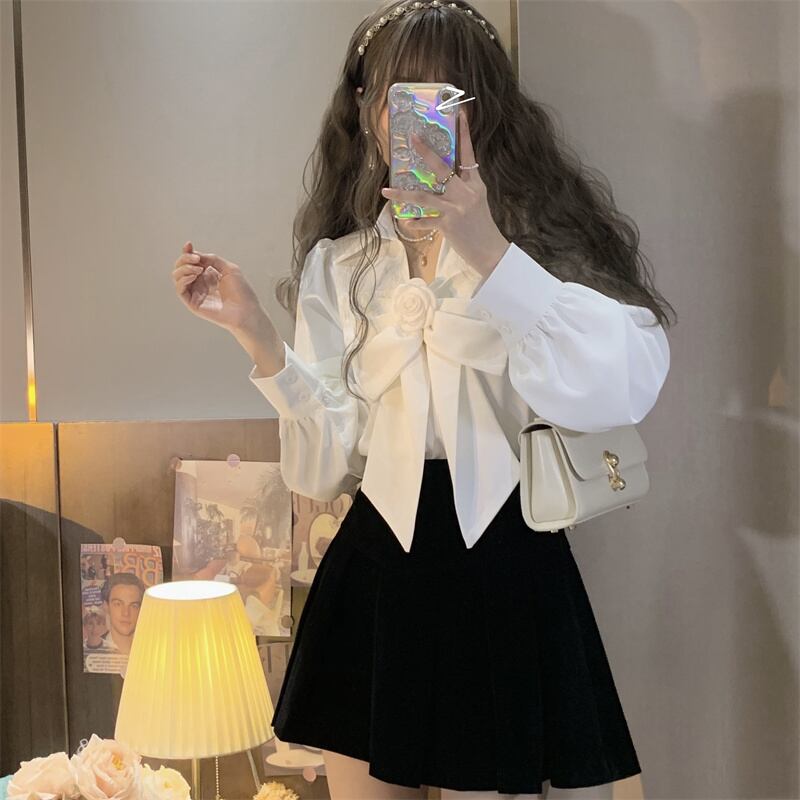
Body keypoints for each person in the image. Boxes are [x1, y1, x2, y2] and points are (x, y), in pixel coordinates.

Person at [170, 1, 675, 797]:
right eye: (398, 96)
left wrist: (489, 251)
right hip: (376, 572)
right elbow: (324, 466)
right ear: (367, 110)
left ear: (483, 109)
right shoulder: (342, 265)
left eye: (444, 96)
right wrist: (257, 334)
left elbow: (626, 382)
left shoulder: (539, 248)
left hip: (507, 563)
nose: (418, 119)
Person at [99, 572, 145, 654]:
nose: (126, 613)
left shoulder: (153, 649)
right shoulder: (91, 649)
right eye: (118, 604)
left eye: (133, 606)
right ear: (106, 606)